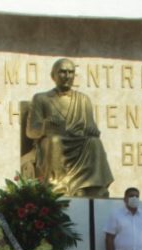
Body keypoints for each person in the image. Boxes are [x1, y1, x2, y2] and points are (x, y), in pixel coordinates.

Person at [26, 58, 113, 198]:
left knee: (94, 143)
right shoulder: (41, 98)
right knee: (55, 141)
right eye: (62, 72)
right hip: (52, 142)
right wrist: (45, 126)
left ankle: (89, 186)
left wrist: (92, 131)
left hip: (78, 140)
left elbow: (90, 126)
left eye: (70, 72)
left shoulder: (83, 100)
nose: (67, 76)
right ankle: (56, 186)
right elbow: (31, 131)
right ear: (53, 75)